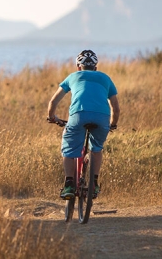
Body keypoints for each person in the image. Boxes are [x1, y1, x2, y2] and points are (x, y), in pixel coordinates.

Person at [47, 50, 120, 200]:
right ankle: (93, 184)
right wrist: (113, 124)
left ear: (78, 67)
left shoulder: (73, 77)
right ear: (95, 67)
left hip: (78, 115)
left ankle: (69, 184)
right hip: (102, 118)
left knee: (69, 149)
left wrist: (51, 117)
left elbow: (53, 102)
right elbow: (116, 108)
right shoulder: (105, 78)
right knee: (96, 149)